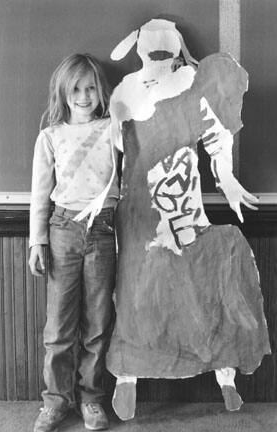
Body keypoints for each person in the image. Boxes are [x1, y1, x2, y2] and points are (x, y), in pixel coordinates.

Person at [105, 18, 271, 420]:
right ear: (138, 50)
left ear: (178, 51)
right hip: (139, 215)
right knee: (136, 296)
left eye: (167, 52)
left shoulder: (193, 85)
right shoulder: (125, 94)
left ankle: (225, 372)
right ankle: (126, 377)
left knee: (205, 288)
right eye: (153, 52)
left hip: (186, 212)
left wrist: (228, 179)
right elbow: (110, 153)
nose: (160, 60)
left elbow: (217, 137)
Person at [29, 53, 119, 432]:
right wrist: (37, 242)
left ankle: (92, 399)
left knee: (98, 321)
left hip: (104, 230)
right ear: (64, 92)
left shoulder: (115, 128)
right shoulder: (51, 136)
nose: (84, 96)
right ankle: (55, 401)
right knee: (59, 326)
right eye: (76, 89)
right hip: (63, 229)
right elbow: (40, 193)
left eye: (91, 88)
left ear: (101, 90)